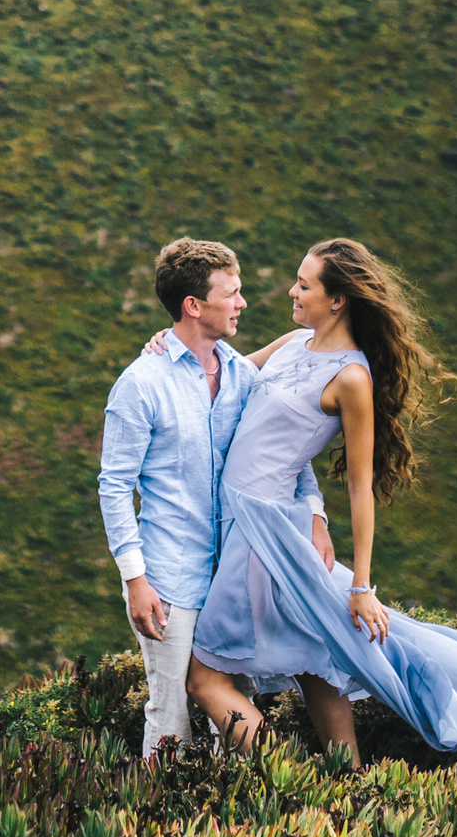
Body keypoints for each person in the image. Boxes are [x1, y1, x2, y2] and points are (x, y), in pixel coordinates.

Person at [182, 238, 457, 763]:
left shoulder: (350, 378)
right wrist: (167, 349)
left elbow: (360, 486)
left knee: (204, 679)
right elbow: (217, 375)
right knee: (315, 655)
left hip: (265, 532)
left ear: (338, 299)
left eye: (304, 284)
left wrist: (363, 585)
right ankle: (349, 782)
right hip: (247, 519)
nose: (292, 291)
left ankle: (287, 782)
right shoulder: (293, 343)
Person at [98, 237, 332, 759]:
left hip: (235, 573)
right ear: (193, 306)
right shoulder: (141, 383)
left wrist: (316, 515)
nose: (243, 303)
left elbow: (288, 456)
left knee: (237, 702)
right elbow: (114, 487)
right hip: (169, 580)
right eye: (232, 293)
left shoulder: (244, 376)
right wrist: (135, 580)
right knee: (171, 714)